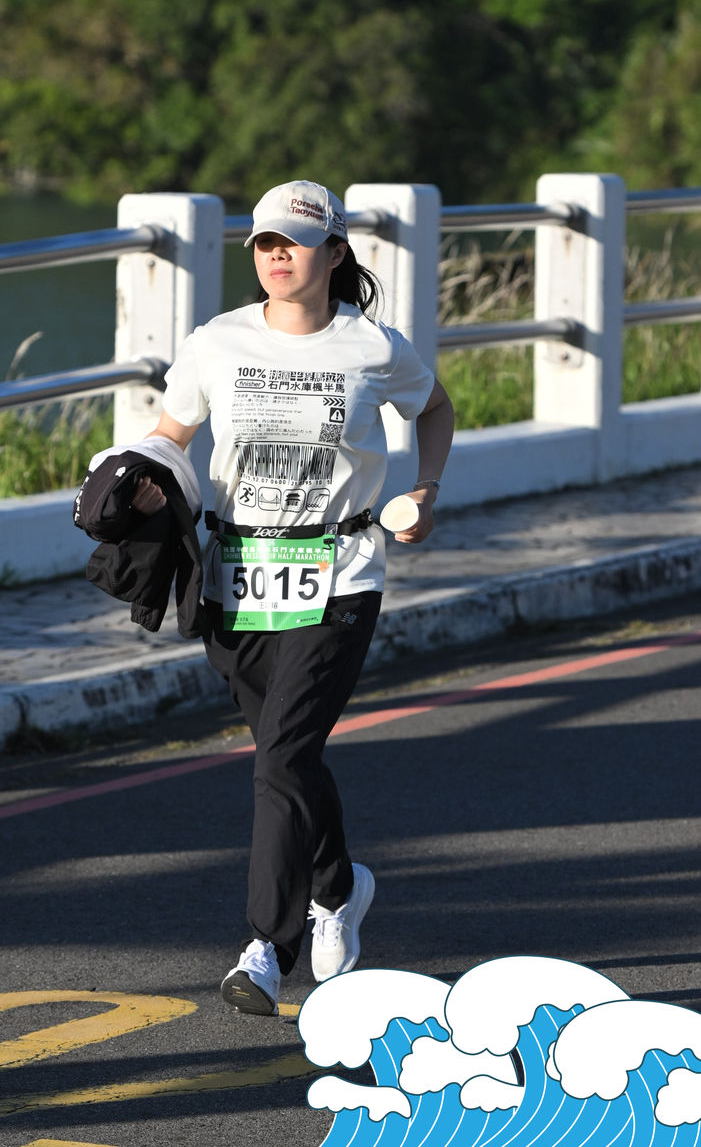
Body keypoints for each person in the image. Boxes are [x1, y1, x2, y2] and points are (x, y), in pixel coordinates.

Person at [131, 180, 455, 1016]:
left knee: (279, 759)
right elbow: (170, 436)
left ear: (334, 253)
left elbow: (433, 407)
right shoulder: (216, 342)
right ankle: (338, 888)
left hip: (338, 573)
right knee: (290, 756)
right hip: (235, 576)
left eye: (296, 242)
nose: (278, 255)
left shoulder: (371, 346)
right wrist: (139, 483)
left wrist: (424, 490)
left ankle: (266, 949)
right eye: (265, 243)